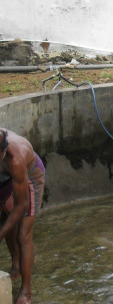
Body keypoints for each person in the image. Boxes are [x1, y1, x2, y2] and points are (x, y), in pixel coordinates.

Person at [0, 129, 45, 304]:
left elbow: (21, 205)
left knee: (23, 234)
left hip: (31, 176)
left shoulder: (16, 160)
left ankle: (26, 292)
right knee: (6, 216)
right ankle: (16, 267)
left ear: (2, 153)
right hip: (5, 176)